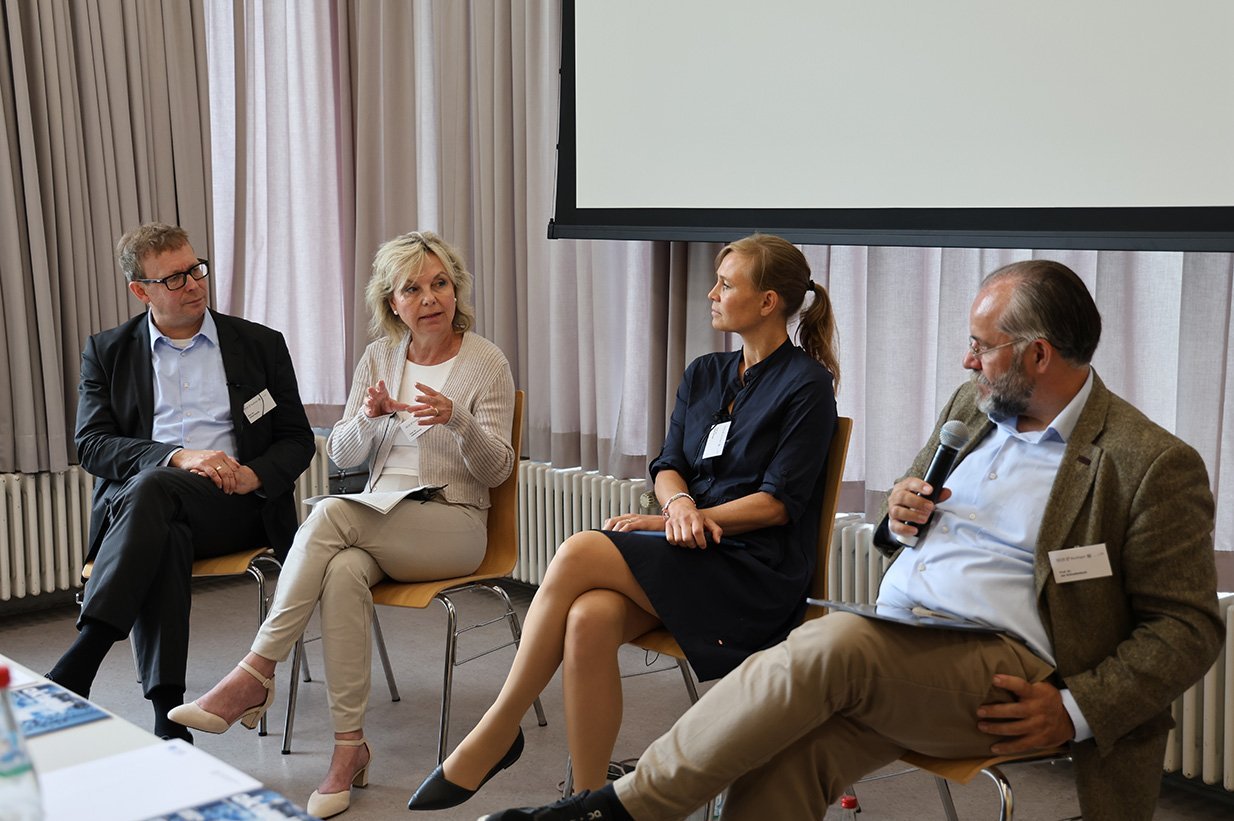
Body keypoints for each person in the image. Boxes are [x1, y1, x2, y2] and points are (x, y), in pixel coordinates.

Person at [481, 259, 1224, 821]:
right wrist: (896, 517)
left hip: (1003, 666)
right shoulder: (976, 405)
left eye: (981, 345)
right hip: (899, 634)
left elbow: (1188, 625)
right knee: (777, 771)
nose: (967, 362)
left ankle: (619, 808)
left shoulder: (1147, 461)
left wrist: (1078, 708)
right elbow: (895, 529)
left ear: (1038, 355)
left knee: (831, 646)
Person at [407, 234, 841, 811]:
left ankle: (496, 730)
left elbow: (778, 504)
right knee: (588, 617)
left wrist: (685, 519)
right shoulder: (706, 372)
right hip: (694, 551)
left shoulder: (806, 385)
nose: (711, 294)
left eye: (725, 285)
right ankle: (589, 803)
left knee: (584, 549)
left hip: (754, 572)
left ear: (767, 302)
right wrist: (676, 510)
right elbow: (668, 466)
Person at [169, 230, 516, 818]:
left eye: (440, 284)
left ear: (455, 290)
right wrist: (369, 417)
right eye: (413, 288)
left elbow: (498, 468)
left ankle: (255, 671)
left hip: (454, 525)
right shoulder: (380, 357)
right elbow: (344, 457)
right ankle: (347, 751)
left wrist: (459, 421)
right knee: (344, 572)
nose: (430, 298)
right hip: (378, 521)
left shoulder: (485, 361)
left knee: (330, 515)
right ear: (392, 301)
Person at [46, 223, 315, 741]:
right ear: (140, 290)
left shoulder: (259, 344)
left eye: (196, 269)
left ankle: (82, 659)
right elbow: (92, 445)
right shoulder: (108, 351)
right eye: (174, 278)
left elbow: (296, 438)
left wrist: (253, 475)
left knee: (152, 494)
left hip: (238, 507)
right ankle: (168, 713)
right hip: (154, 509)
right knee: (161, 513)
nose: (193, 284)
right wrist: (177, 456)